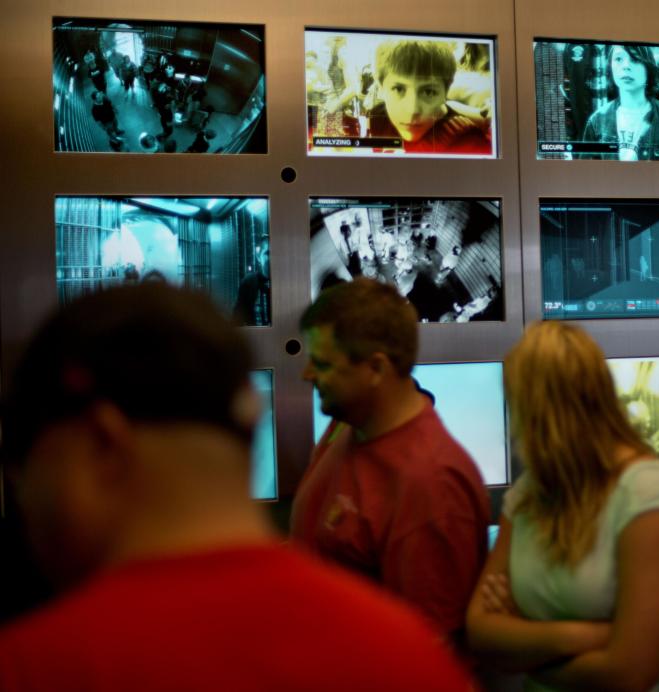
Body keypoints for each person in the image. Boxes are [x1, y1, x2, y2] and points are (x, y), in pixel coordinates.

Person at [0, 283, 472, 691]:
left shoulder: (35, 669)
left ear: (104, 443)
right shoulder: (402, 657)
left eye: (23, 465)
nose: (308, 375)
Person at [466, 321, 659, 691]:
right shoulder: (529, 494)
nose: (513, 430)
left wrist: (525, 644)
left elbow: (629, 674)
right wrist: (584, 636)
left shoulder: (650, 494)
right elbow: (480, 633)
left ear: (544, 413)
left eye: (518, 408)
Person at [291, 278, 490, 650]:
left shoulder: (428, 483)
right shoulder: (349, 424)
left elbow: (429, 650)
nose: (307, 375)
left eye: (321, 363)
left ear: (376, 369)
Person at [367, 40, 492, 155]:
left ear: (446, 92)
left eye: (428, 92)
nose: (412, 110)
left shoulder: (468, 143)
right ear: (381, 88)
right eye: (398, 89)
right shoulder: (378, 118)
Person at [580, 44, 659, 161]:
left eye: (634, 59)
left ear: (648, 67)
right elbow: (586, 174)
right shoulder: (597, 121)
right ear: (610, 66)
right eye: (618, 59)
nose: (626, 66)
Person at [233, 238, 270, 326]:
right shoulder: (248, 282)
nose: (271, 258)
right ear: (258, 257)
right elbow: (237, 319)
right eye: (267, 253)